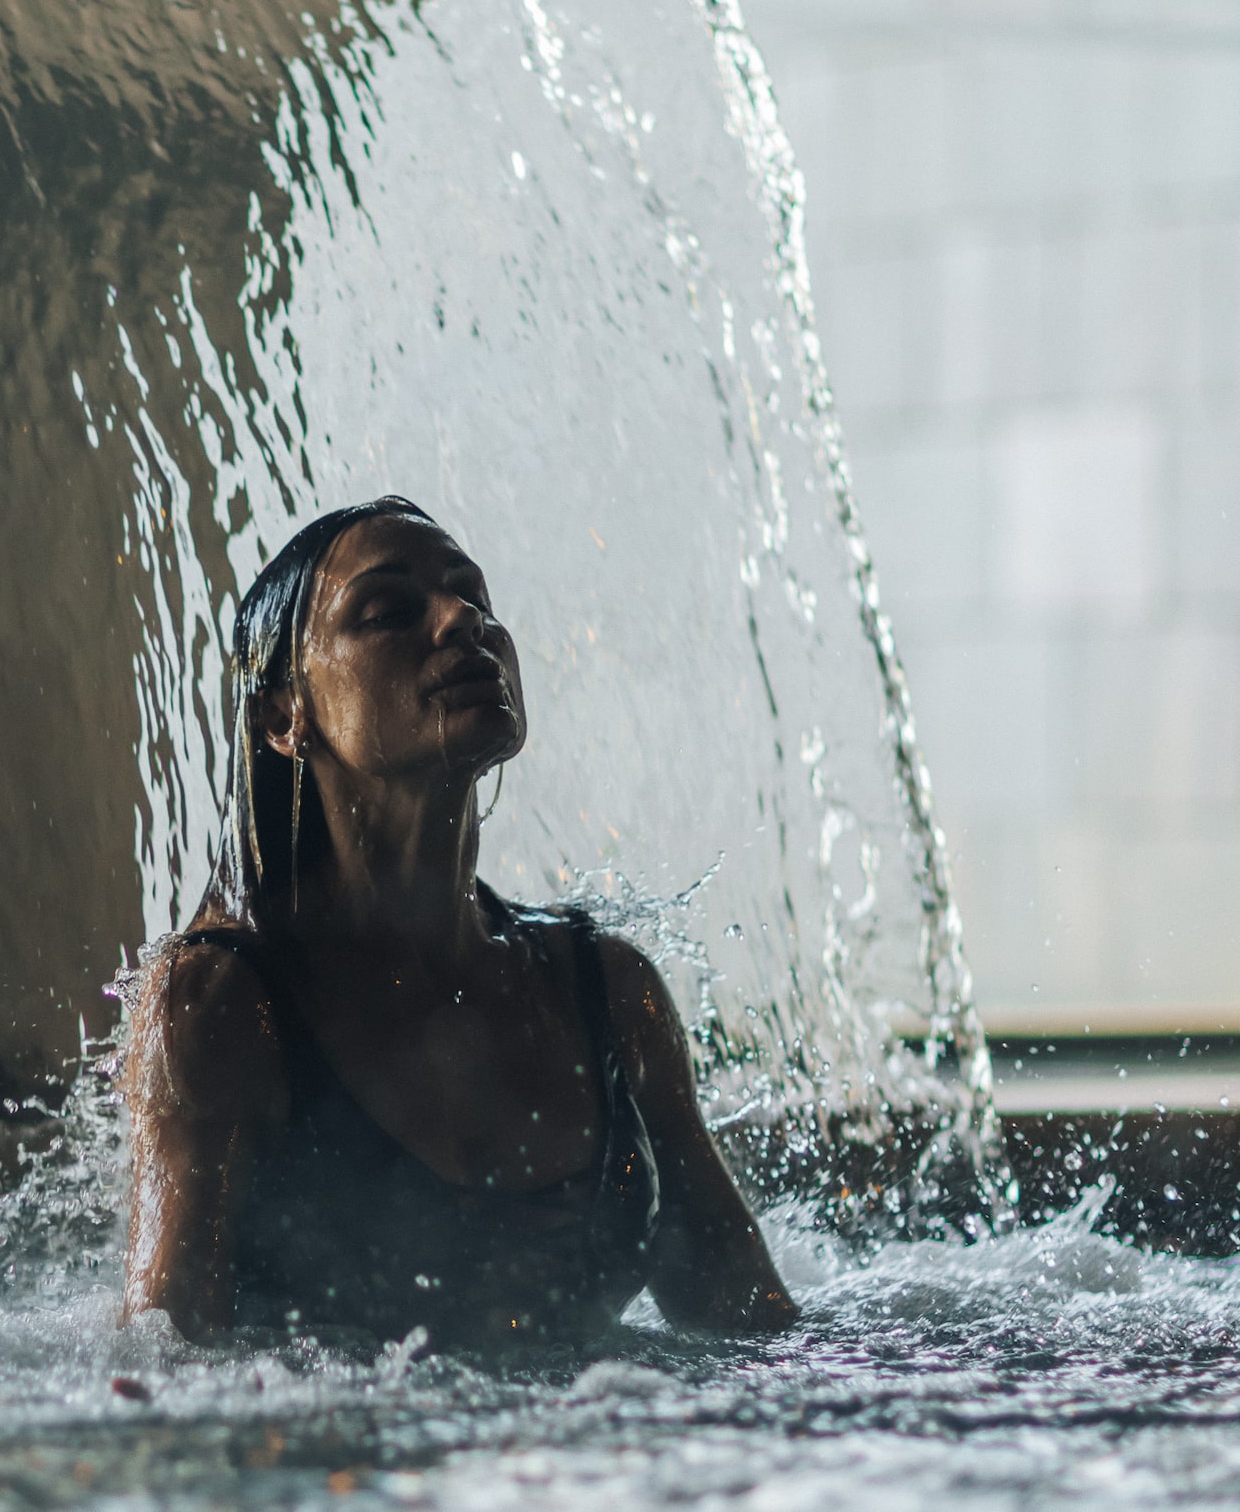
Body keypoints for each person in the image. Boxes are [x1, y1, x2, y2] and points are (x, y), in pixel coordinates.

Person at [118, 497, 797, 1345]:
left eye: (474, 599)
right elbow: (162, 1369)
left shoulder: (608, 995)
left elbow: (758, 1333)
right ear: (285, 716)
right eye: (389, 611)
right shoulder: (220, 1002)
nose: (462, 621)